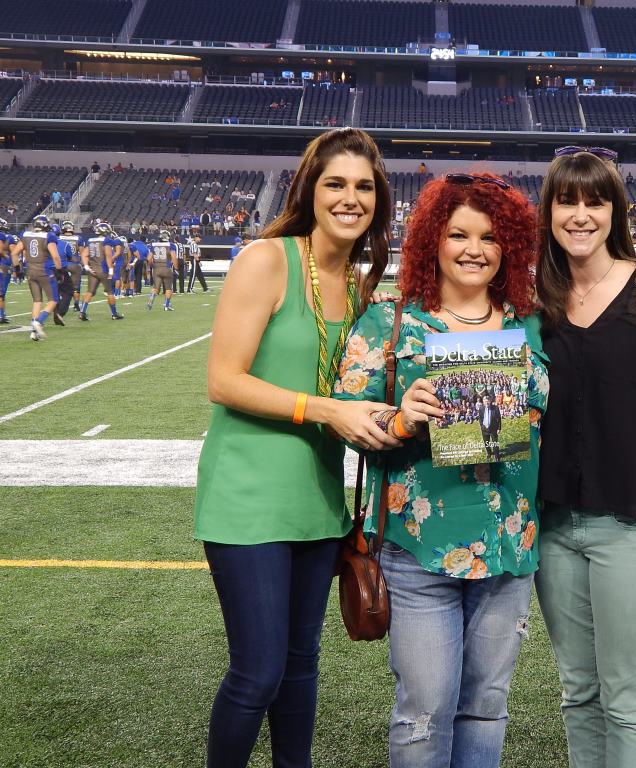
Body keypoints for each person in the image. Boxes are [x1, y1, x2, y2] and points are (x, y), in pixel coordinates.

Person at [193, 128, 401, 768]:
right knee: (257, 673)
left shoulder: (366, 288)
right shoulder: (268, 258)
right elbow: (223, 380)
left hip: (317, 500)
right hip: (248, 496)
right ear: (310, 190)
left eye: (364, 187)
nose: (350, 197)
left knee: (301, 667)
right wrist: (328, 409)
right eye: (335, 183)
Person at [335, 171, 547, 768]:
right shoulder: (390, 320)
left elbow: (549, 410)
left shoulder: (525, 322)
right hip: (417, 549)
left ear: (508, 245)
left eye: (488, 236)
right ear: (434, 239)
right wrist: (401, 420)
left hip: (509, 545)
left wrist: (526, 405)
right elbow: (346, 416)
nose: (473, 249)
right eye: (458, 234)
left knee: (485, 705)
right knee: (424, 711)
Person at [534, 148, 636, 768]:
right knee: (578, 691)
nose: (580, 214)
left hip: (629, 523)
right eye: (567, 200)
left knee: (624, 694)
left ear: (615, 211)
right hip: (551, 524)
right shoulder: (536, 300)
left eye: (594, 201)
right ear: (549, 211)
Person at [12, 215, 64, 340]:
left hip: (30, 271)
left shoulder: (25, 235)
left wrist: (17, 269)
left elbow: (14, 253)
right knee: (53, 300)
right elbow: (56, 257)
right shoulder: (49, 236)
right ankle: (39, 322)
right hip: (45, 271)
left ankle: (34, 332)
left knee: (37, 301)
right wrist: (59, 270)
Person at [79, 221, 123, 321]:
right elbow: (108, 256)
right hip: (103, 270)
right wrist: (111, 270)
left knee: (90, 291)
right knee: (110, 292)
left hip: (92, 270)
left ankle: (82, 312)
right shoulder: (106, 241)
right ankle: (114, 314)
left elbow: (84, 255)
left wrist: (86, 266)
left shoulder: (90, 240)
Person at [147, 230, 178, 312]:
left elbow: (149, 259)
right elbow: (174, 258)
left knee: (156, 287)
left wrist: (152, 265)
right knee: (168, 288)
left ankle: (152, 296)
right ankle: (166, 306)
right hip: (166, 268)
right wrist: (176, 268)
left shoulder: (153, 245)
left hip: (156, 269)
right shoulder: (171, 245)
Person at [478, 392, 502, 460]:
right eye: (485, 401)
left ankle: (497, 455)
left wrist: (499, 428)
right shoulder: (481, 408)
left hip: (493, 429)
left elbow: (499, 418)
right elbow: (480, 418)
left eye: (488, 401)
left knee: (495, 443)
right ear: (483, 401)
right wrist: (482, 426)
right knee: (486, 443)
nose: (486, 403)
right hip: (484, 429)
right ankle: (489, 453)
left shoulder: (495, 408)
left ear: (490, 401)